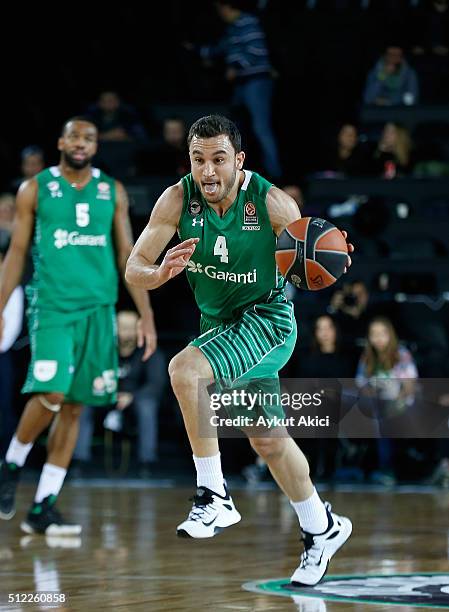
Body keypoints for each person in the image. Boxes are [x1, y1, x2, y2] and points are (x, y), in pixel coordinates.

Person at [125, 114, 354, 586]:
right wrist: (160, 274)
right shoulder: (176, 198)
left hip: (266, 321)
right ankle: (322, 527)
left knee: (185, 370)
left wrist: (329, 257)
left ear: (239, 160)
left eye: (218, 159)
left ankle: (213, 496)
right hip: (220, 327)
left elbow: (313, 252)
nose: (207, 171)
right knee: (267, 440)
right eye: (198, 159)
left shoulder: (271, 201)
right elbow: (134, 268)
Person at [0, 117, 157, 534]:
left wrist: (145, 313)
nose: (81, 143)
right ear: (61, 142)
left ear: (95, 146)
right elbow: (16, 253)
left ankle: (42, 507)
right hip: (53, 306)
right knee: (51, 391)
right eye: (74, 136)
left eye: (88, 137)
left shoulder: (112, 191)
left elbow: (129, 255)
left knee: (73, 407)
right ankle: (12, 461)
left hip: (98, 310)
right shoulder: (35, 188)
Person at [187, 1, 282, 180]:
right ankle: (239, 171)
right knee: (236, 128)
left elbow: (256, 50)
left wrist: (235, 67)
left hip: (256, 81)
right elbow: (221, 49)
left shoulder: (248, 22)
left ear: (226, 7)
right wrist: (198, 51)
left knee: (261, 128)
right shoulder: (232, 29)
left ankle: (276, 175)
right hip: (241, 84)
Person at [73, 310, 166, 476]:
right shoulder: (101, 349)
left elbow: (156, 384)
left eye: (131, 328)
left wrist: (132, 397)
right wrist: (103, 390)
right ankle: (78, 462)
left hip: (135, 401)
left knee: (147, 405)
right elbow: (88, 377)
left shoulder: (149, 350)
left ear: (139, 329)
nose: (126, 333)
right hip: (104, 398)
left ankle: (147, 463)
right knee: (83, 404)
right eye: (122, 327)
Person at [356, 317, 418, 486]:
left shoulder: (401, 354)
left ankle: (387, 468)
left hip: (400, 403)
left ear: (390, 335)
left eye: (382, 334)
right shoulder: (367, 357)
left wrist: (395, 401)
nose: (379, 338)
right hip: (376, 404)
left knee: (385, 418)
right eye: (374, 334)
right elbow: (361, 384)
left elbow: (409, 386)